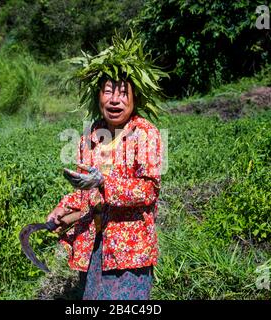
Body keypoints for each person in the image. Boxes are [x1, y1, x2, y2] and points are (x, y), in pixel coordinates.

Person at [47, 33, 168, 300]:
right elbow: (83, 193)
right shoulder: (89, 137)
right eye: (109, 92)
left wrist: (104, 182)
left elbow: (148, 191)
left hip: (130, 250)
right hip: (93, 244)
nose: (115, 100)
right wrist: (63, 209)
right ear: (98, 96)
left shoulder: (145, 134)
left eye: (124, 93)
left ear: (136, 97)